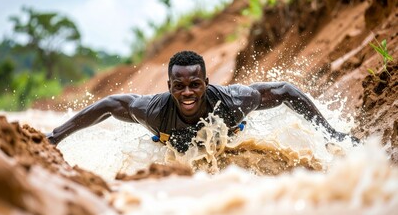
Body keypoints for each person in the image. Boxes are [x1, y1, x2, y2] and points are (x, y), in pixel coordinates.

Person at [46, 50, 359, 152]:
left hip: (227, 137)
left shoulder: (234, 103)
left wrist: (331, 133)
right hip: (171, 144)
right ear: (169, 86)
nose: (187, 92)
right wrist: (55, 137)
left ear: (206, 83)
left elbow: (285, 91)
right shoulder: (152, 112)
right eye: (179, 86)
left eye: (195, 84)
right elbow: (110, 105)